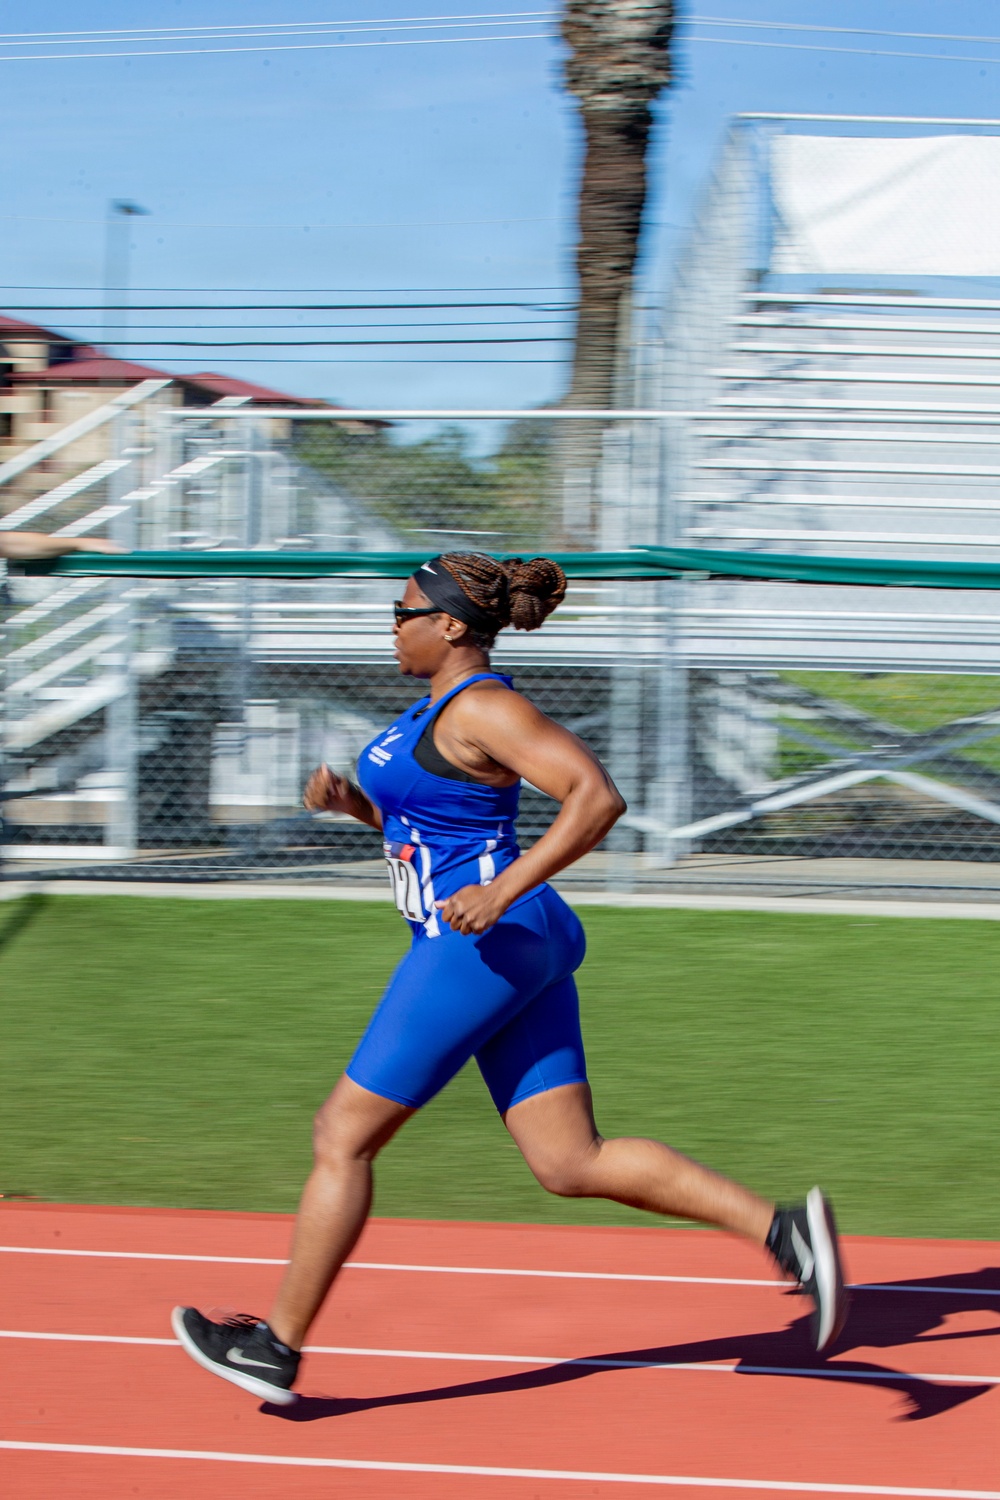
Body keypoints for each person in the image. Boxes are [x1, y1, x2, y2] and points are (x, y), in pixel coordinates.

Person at [173, 551, 847, 1406]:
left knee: (342, 1135)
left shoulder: (486, 706)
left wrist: (499, 889)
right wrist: (358, 808)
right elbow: (435, 817)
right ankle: (785, 1234)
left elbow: (595, 797)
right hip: (509, 939)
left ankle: (275, 1348)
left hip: (480, 939)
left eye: (403, 609)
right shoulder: (439, 709)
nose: (393, 623)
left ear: (451, 625)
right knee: (570, 1160)